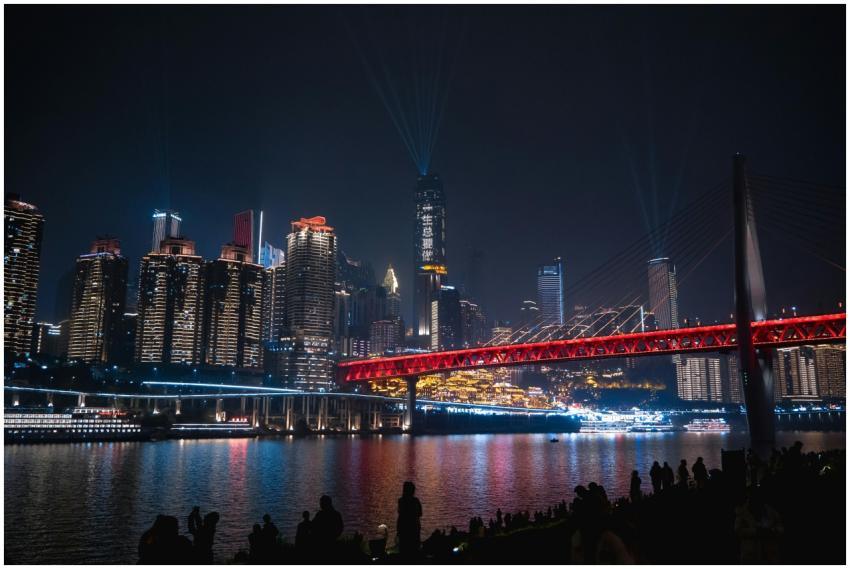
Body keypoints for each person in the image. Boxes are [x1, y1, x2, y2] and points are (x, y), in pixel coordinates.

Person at [397, 481, 423, 558]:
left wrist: (398, 530)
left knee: (404, 549)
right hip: (414, 528)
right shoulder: (416, 501)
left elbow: (400, 516)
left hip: (404, 528)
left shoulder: (401, 501)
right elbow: (420, 513)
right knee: (414, 549)